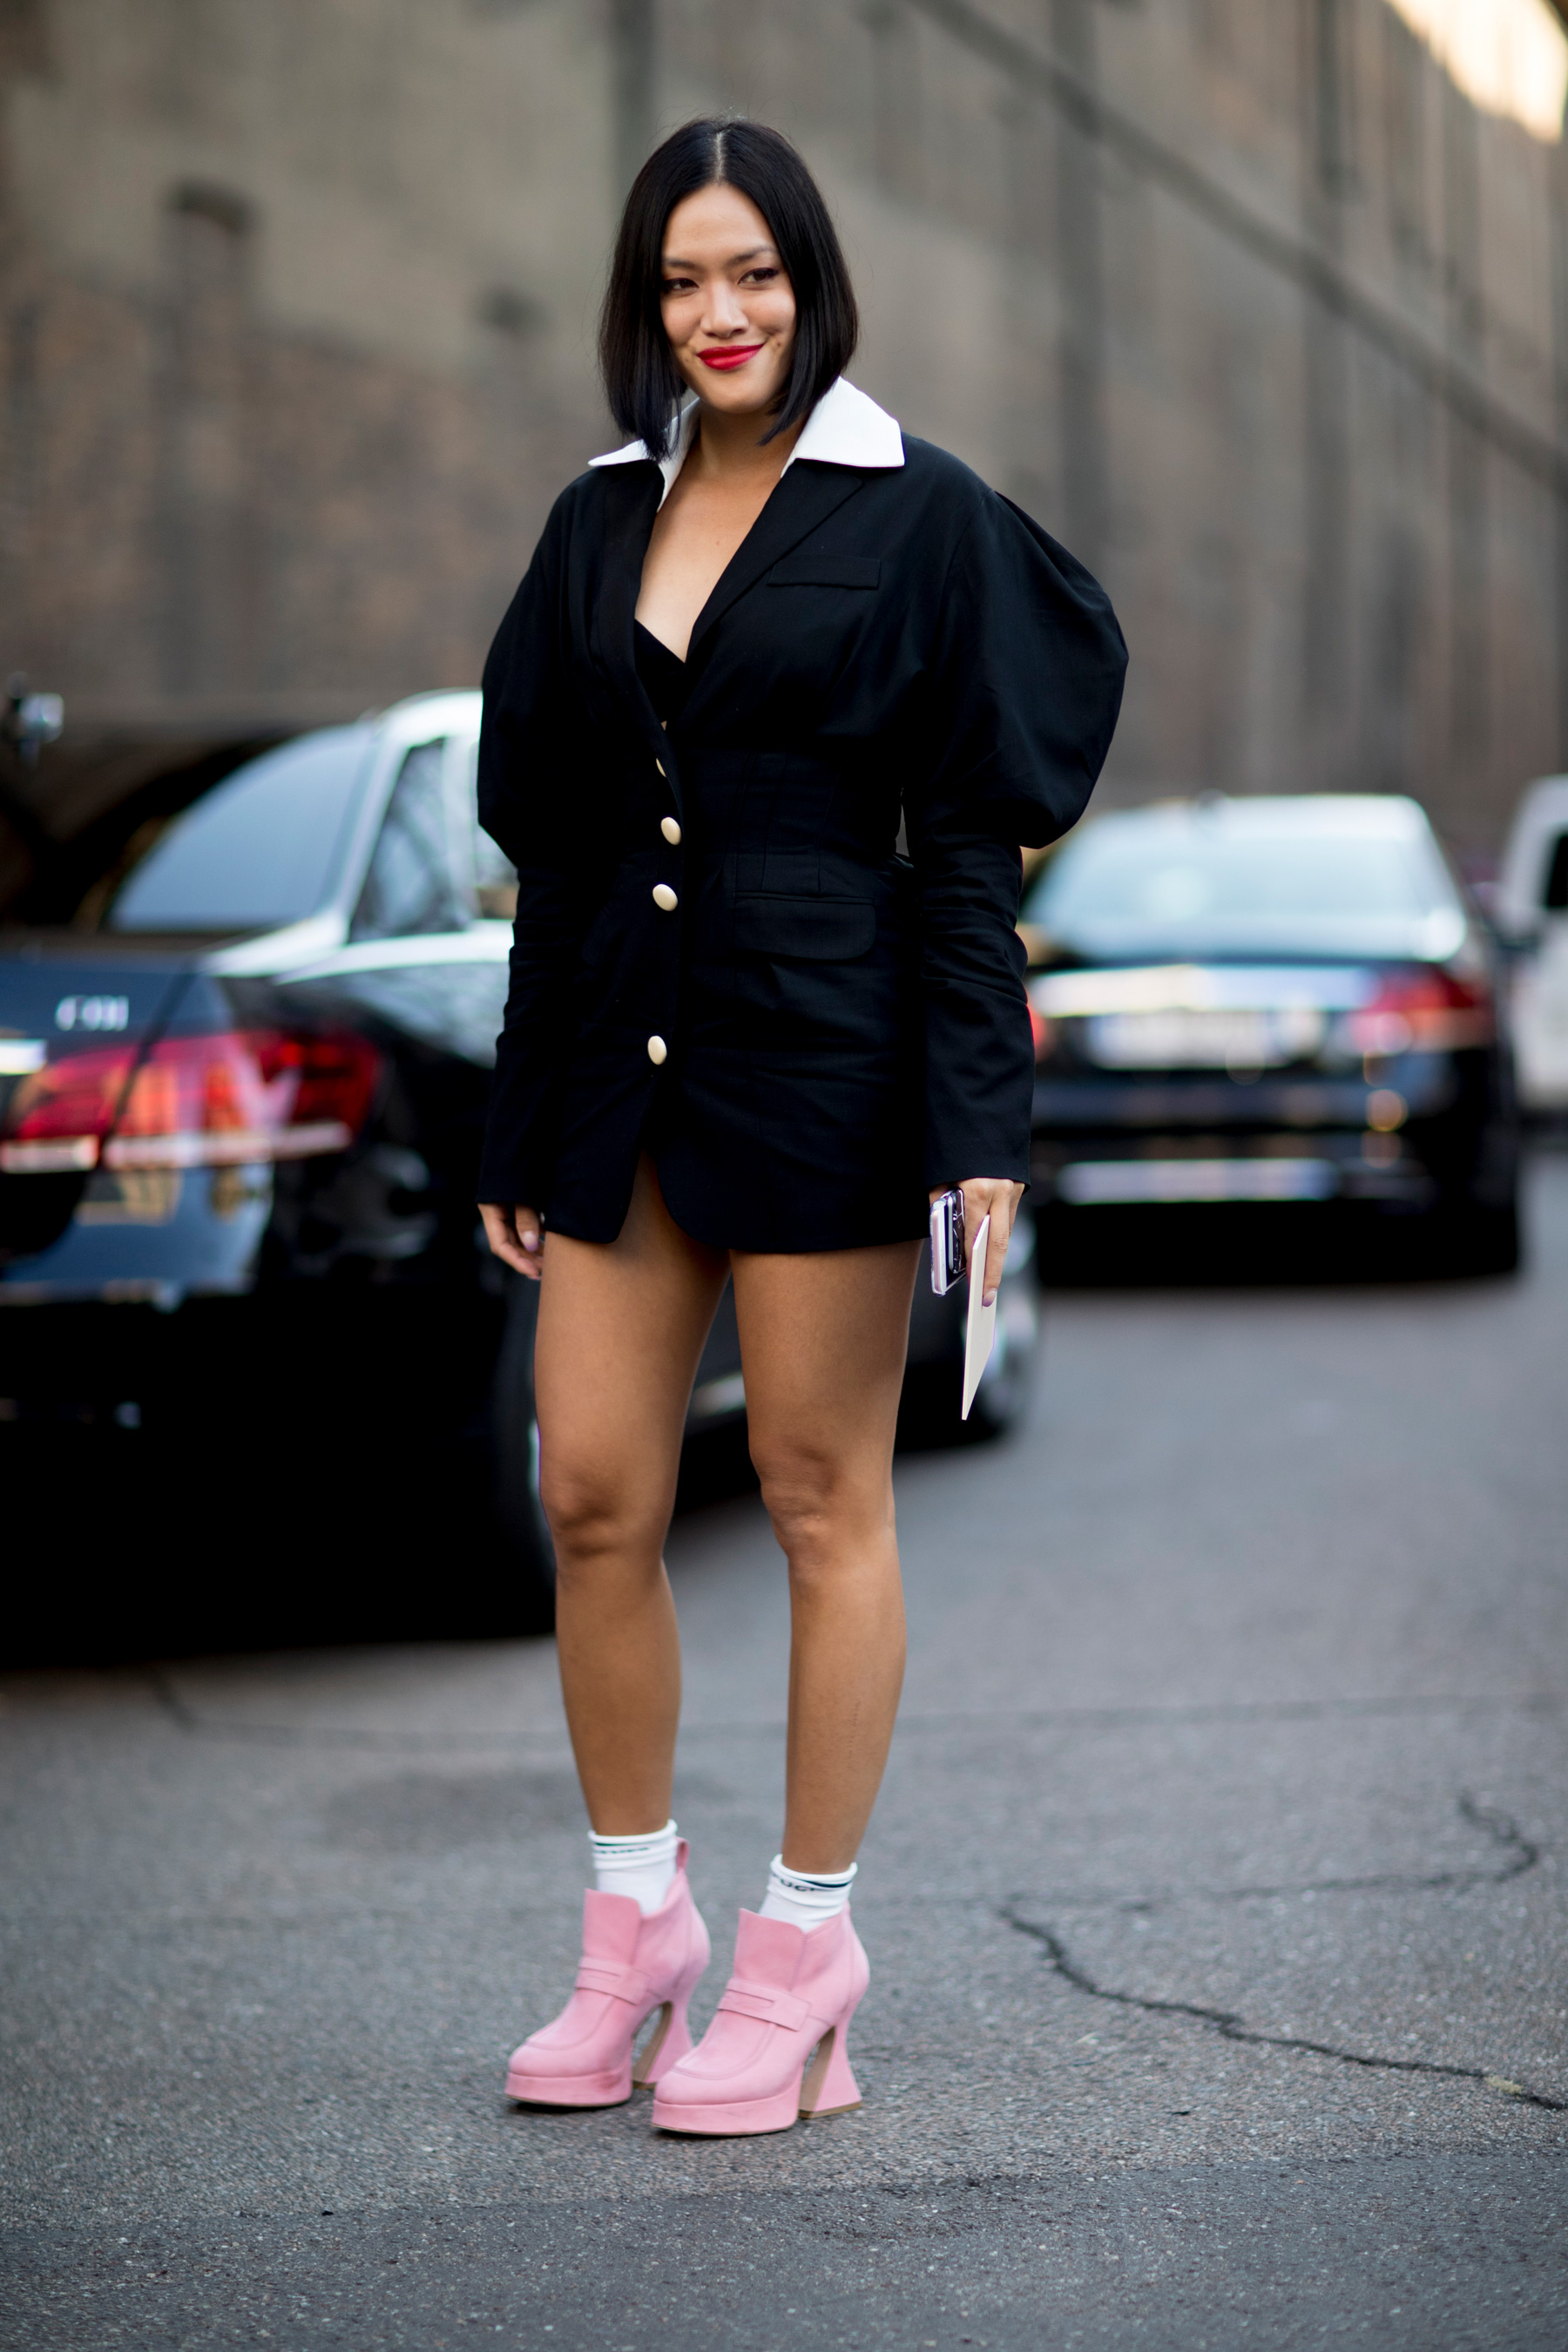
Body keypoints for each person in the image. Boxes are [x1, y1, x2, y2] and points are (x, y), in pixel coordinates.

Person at [476, 116, 1126, 2139]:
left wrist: (981, 1129)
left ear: (812, 280)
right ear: (644, 303)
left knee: (819, 1496)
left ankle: (804, 1954)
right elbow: (564, 855)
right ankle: (635, 1936)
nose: (720, 312)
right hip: (624, 1063)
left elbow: (967, 858)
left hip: (833, 1063)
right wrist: (521, 1113)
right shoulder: (600, 516)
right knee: (595, 1491)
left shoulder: (918, 513)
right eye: (681, 280)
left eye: (751, 272)